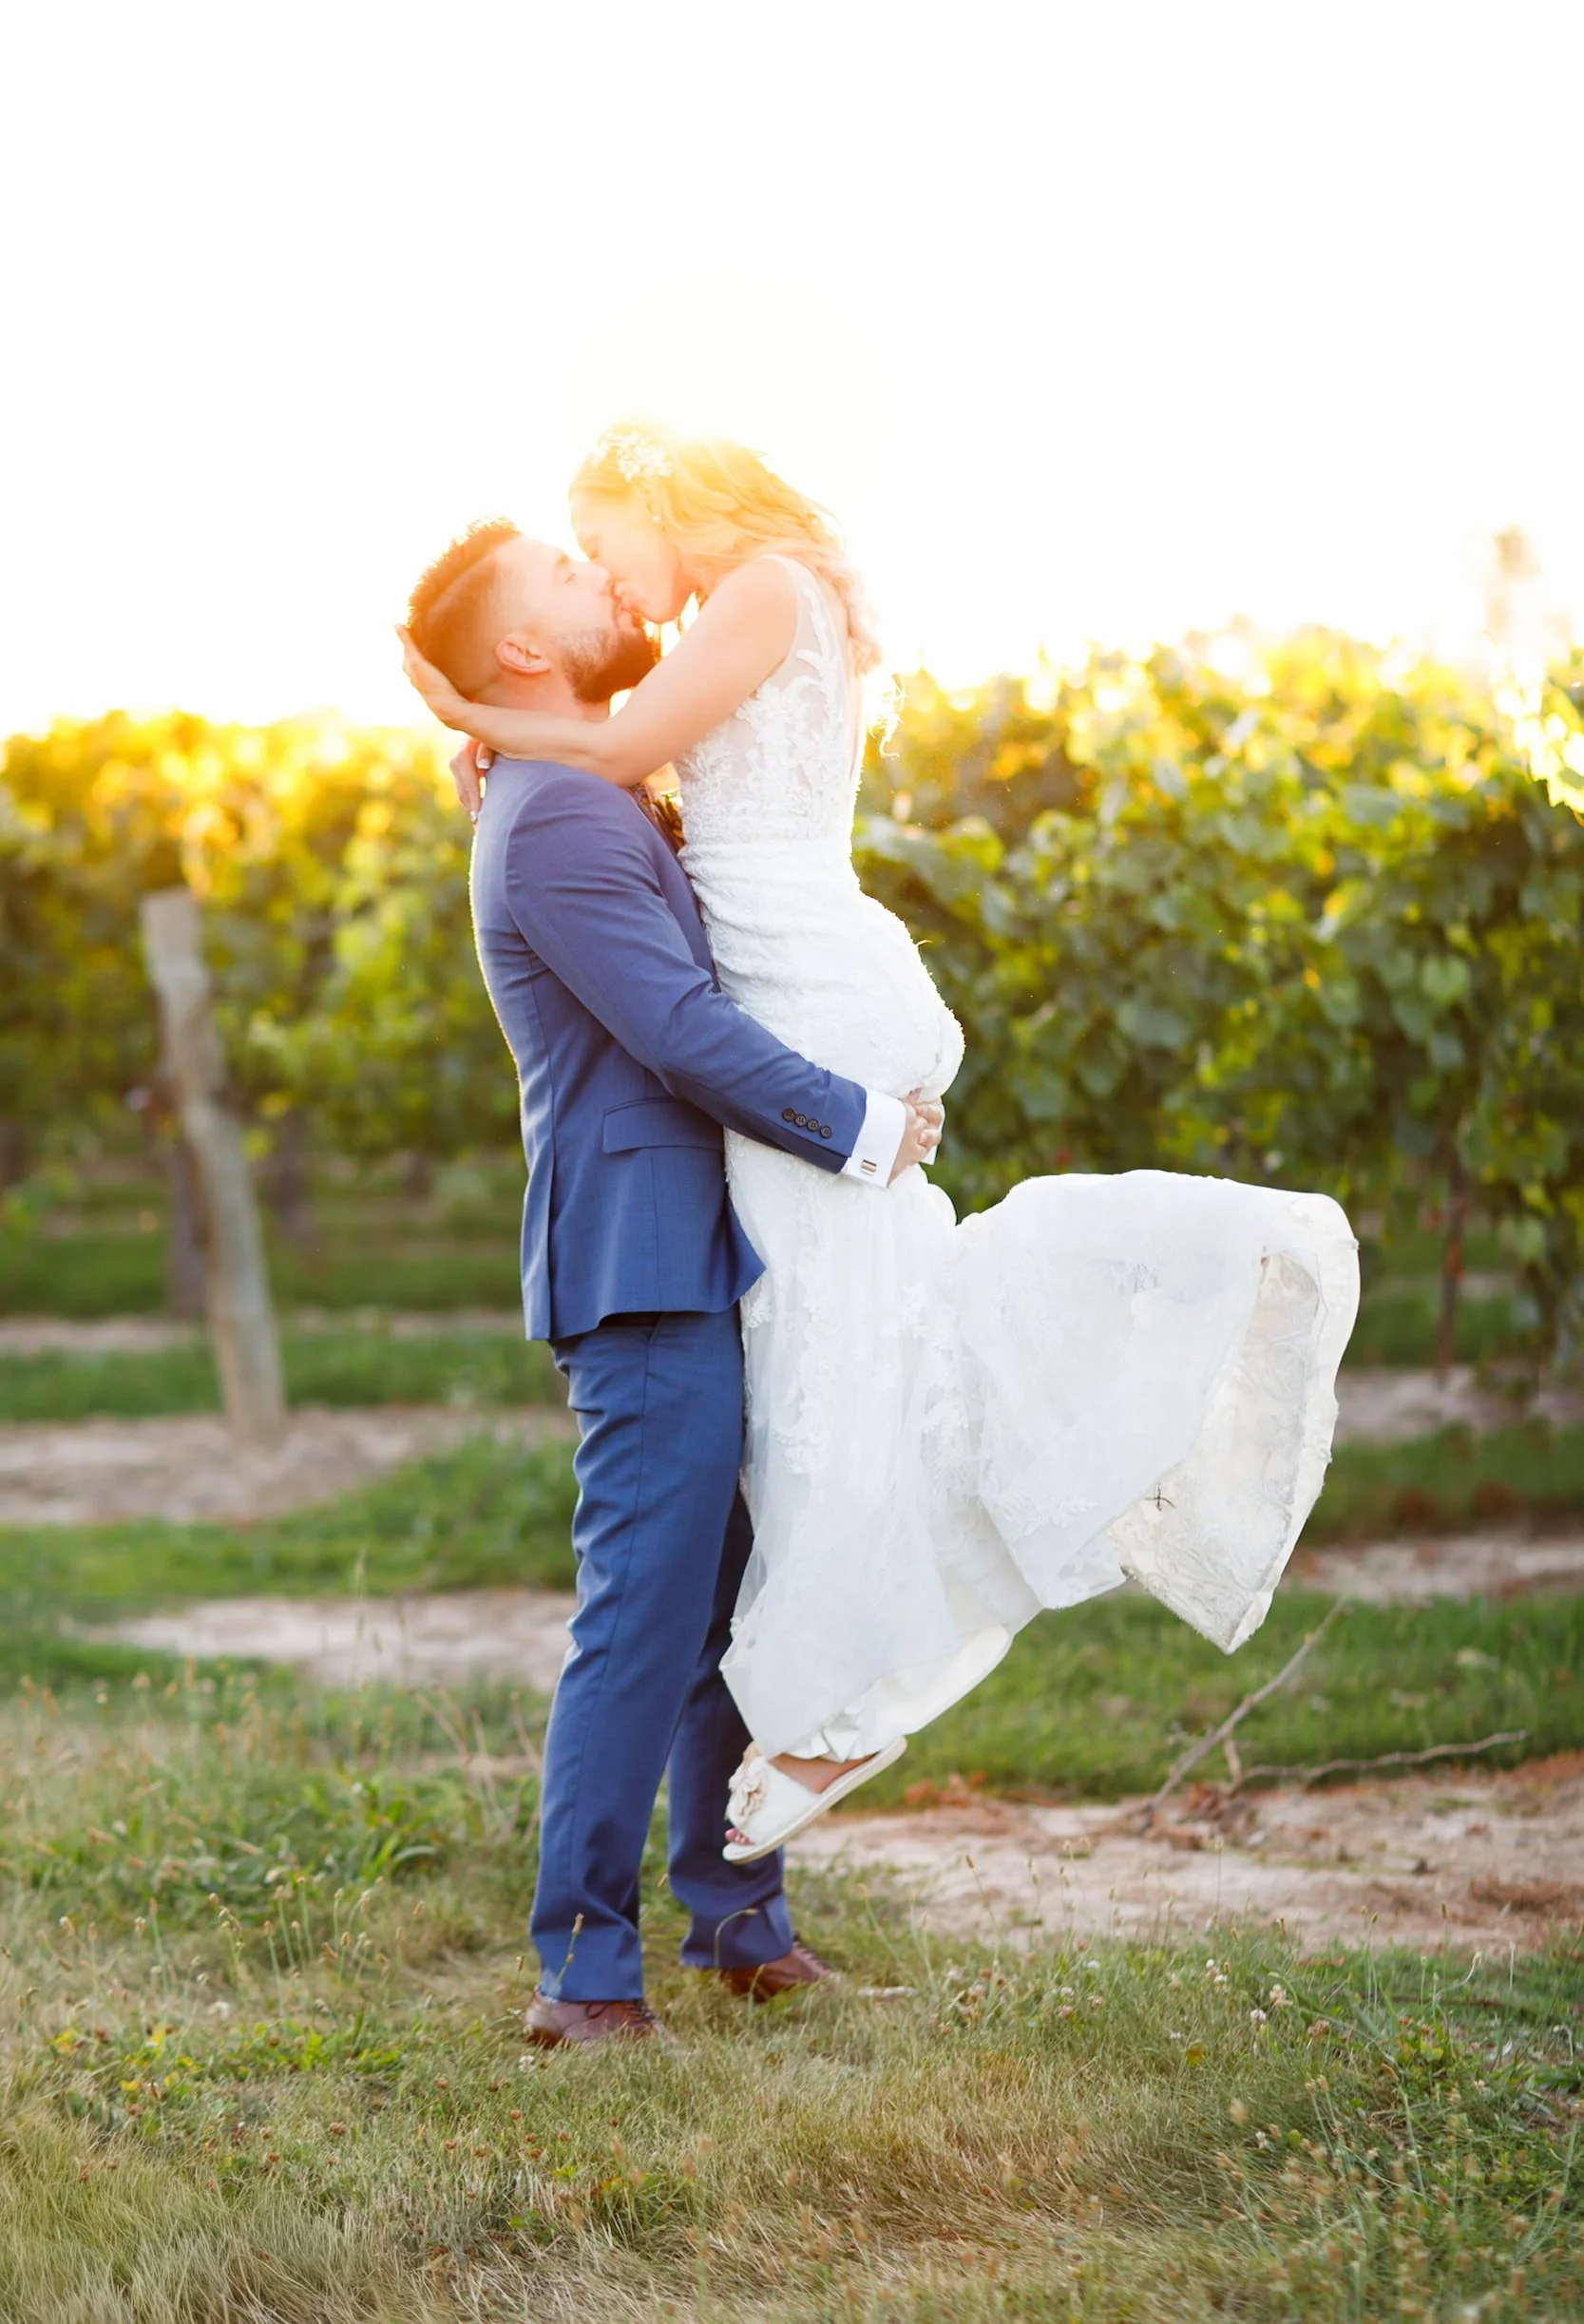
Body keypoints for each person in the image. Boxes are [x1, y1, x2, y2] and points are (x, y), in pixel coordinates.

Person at [401, 421, 1361, 1871]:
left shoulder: (752, 599)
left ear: (665, 505)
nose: (614, 584)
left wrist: (462, 714)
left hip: (805, 998)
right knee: (854, 1358)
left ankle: (837, 1710)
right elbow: (623, 835)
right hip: (782, 1027)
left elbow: (611, 760)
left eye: (602, 545)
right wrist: (506, 737)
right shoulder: (594, 774)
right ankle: (785, 1766)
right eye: (577, 570)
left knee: (850, 1363)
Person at [406, 522, 942, 2043]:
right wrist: (860, 1126)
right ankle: (580, 1966)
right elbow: (677, 1028)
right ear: (522, 653)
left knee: (729, 1603)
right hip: (643, 1266)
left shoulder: (567, 790)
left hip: (708, 1244)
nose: (606, 585)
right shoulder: (558, 823)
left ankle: (736, 1919)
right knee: (643, 1619)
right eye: (570, 582)